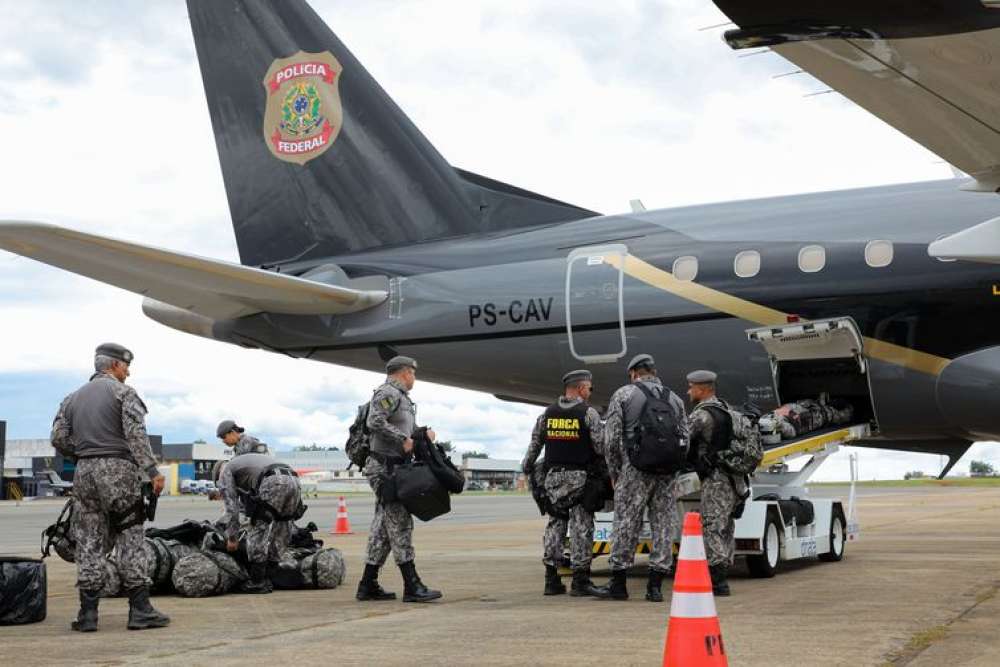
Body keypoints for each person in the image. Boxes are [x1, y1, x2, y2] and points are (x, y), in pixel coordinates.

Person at [50, 343, 170, 632]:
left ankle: (87, 615)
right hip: (118, 468)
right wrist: (152, 470)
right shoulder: (123, 393)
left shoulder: (71, 399)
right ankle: (140, 610)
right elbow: (136, 435)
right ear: (114, 365)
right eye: (126, 365)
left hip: (84, 472)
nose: (128, 371)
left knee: (89, 540)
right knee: (130, 535)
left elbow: (57, 438)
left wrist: (83, 453)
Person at [593, 353, 687, 602]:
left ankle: (619, 584)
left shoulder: (623, 394)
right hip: (665, 474)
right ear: (654, 372)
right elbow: (684, 440)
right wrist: (673, 470)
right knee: (664, 525)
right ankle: (655, 586)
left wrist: (615, 473)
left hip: (634, 471)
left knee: (626, 524)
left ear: (633, 373)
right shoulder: (675, 399)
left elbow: (611, 440)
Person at [356, 355, 442, 603]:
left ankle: (367, 584)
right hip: (385, 469)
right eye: (413, 373)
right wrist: (402, 439)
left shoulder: (402, 398)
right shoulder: (388, 392)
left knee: (383, 528)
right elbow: (375, 421)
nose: (414, 378)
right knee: (400, 524)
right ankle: (412, 585)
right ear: (405, 373)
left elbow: (402, 430)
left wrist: (420, 434)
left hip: (393, 468)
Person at [522, 369, 604, 597]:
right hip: (579, 479)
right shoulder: (588, 413)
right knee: (581, 528)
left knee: (555, 525)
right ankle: (580, 581)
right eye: (589, 387)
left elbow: (533, 448)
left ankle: (551, 579)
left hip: (553, 479)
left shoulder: (547, 414)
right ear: (579, 388)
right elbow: (600, 447)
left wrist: (528, 470)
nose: (590, 392)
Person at [217, 452, 304, 594]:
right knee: (282, 527)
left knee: (258, 529)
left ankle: (257, 582)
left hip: (273, 481)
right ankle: (270, 577)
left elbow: (231, 509)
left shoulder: (225, 472)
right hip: (294, 479)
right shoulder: (242, 465)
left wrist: (232, 538)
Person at [686, 369, 738, 596]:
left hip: (714, 478)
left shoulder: (701, 415)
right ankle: (724, 569)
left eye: (691, 387)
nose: (688, 391)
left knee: (712, 526)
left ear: (702, 389)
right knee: (726, 525)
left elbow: (682, 439)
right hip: (732, 476)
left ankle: (718, 581)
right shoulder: (727, 410)